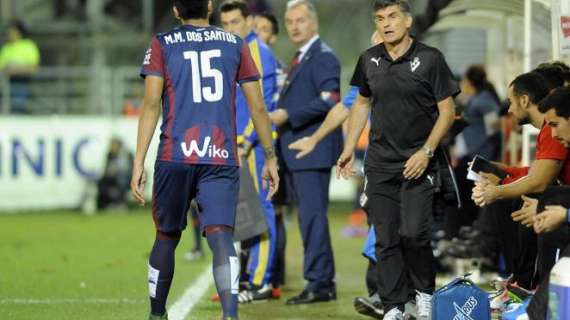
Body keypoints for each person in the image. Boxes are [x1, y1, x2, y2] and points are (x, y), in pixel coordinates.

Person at [130, 1, 279, 319]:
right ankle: (230, 315)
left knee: (166, 236)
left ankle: (157, 314)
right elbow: (258, 108)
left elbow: (151, 103)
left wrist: (138, 161)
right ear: (210, 7)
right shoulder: (236, 44)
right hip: (220, 156)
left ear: (175, 10)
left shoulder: (161, 43)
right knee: (222, 235)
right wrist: (270, 157)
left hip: (175, 154)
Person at [337, 1, 459, 318]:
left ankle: (424, 293)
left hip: (419, 162)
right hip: (379, 164)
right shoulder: (369, 60)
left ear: (407, 21)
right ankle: (393, 306)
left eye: (392, 17)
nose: (386, 24)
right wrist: (350, 145)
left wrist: (427, 151)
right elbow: (361, 104)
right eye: (379, 19)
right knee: (386, 239)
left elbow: (447, 112)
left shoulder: (431, 59)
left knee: (414, 234)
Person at [269, 0, 342, 305]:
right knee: (308, 219)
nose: (295, 26)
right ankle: (319, 280)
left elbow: (330, 99)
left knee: (312, 219)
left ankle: (320, 282)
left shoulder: (322, 57)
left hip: (312, 150)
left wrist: (288, 115)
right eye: (290, 21)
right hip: (299, 153)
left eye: (300, 20)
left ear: (313, 22)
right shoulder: (300, 58)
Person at [219, 0, 279, 302]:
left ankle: (261, 281)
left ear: (248, 23)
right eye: (225, 24)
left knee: (260, 211)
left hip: (251, 148)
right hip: (233, 146)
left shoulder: (258, 53)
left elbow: (263, 107)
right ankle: (248, 277)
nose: (230, 29)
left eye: (235, 23)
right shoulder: (235, 52)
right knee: (243, 213)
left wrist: (244, 141)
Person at [252, 10, 289, 295]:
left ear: (273, 36)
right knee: (254, 211)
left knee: (270, 211)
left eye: (264, 29)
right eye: (255, 27)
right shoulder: (252, 61)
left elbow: (266, 109)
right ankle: (257, 275)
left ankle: (271, 276)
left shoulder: (273, 66)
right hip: (258, 142)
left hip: (268, 145)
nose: (258, 32)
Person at [0, 20, 40, 114]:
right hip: (7, 84)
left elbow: (33, 67)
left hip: (22, 83)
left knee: (18, 107)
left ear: (18, 32)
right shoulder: (6, 48)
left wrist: (14, 70)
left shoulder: (29, 46)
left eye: (12, 31)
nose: (9, 34)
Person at [97, 137, 133, 210]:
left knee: (122, 179)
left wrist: (117, 170)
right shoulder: (110, 154)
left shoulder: (127, 155)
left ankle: (120, 203)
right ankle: (107, 204)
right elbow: (106, 169)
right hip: (112, 178)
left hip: (126, 177)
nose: (112, 147)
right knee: (101, 182)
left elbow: (131, 169)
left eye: (114, 145)